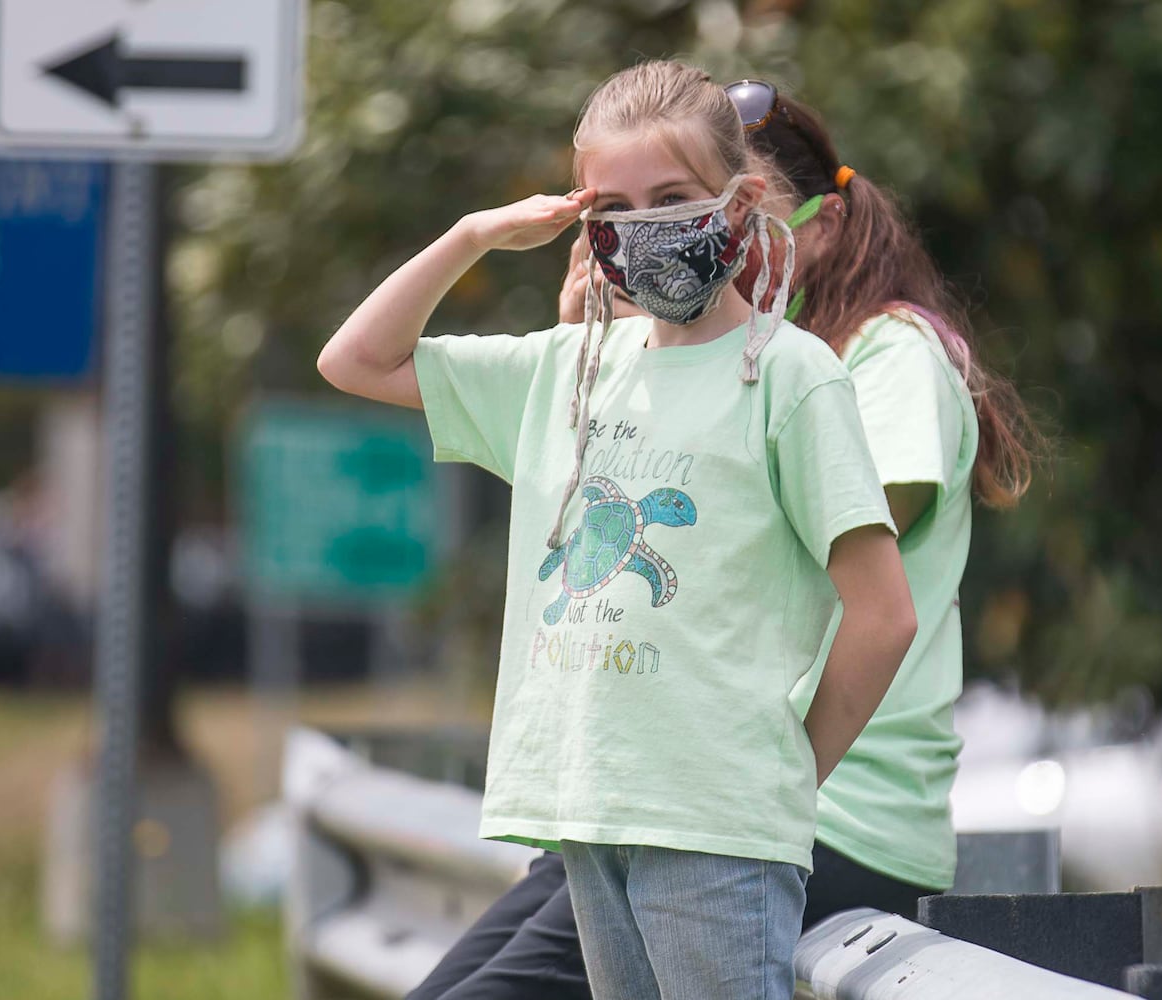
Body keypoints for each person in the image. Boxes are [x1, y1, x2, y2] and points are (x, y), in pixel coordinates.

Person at [401, 77, 1040, 1000]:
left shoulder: (862, 357)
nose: (669, 236)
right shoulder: (716, 355)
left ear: (801, 218)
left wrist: (773, 775)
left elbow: (770, 555)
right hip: (657, 773)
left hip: (814, 804)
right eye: (624, 213)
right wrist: (608, 345)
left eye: (692, 207)